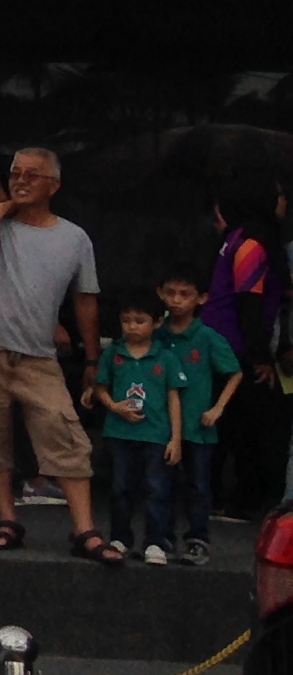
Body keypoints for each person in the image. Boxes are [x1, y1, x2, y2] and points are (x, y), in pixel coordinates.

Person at [0, 147, 107, 561]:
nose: (20, 180)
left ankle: (85, 530)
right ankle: (8, 519)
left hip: (37, 355)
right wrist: (8, 203)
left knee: (63, 430)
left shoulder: (74, 238)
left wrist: (93, 359)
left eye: (31, 175)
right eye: (15, 173)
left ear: (54, 185)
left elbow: (85, 299)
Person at [152, 268, 241, 568]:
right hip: (160, 425)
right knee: (159, 485)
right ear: (160, 293)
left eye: (185, 294)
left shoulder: (207, 337)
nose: (176, 300)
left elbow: (235, 373)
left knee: (199, 487)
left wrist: (218, 408)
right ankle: (161, 540)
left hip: (198, 427)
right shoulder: (155, 334)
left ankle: (197, 541)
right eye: (171, 293)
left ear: (201, 298)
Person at [204, 185, 282, 524]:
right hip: (234, 347)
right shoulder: (250, 244)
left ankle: (221, 497)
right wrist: (260, 356)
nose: (284, 202)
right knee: (247, 427)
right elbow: (249, 301)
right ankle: (239, 500)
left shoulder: (236, 238)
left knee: (229, 425)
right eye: (278, 196)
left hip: (225, 343)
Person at [90, 292, 184, 565]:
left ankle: (155, 541)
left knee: (157, 489)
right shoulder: (113, 354)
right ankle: (120, 537)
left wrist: (175, 439)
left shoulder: (165, 357)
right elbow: (100, 387)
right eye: (126, 320)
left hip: (156, 434)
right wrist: (114, 406)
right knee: (120, 487)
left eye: (140, 321)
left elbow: (174, 398)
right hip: (119, 433)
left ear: (157, 323)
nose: (132, 326)